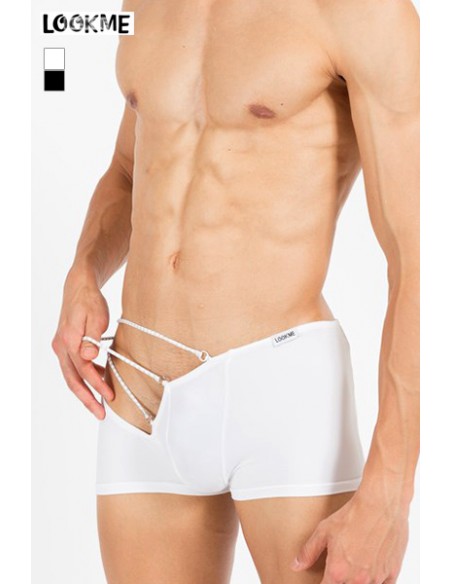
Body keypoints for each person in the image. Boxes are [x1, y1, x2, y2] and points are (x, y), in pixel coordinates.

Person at [51, 0, 419, 582]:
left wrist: (390, 495)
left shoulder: (360, 11)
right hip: (137, 397)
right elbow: (127, 169)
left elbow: (420, 254)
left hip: (281, 393)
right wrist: (83, 271)